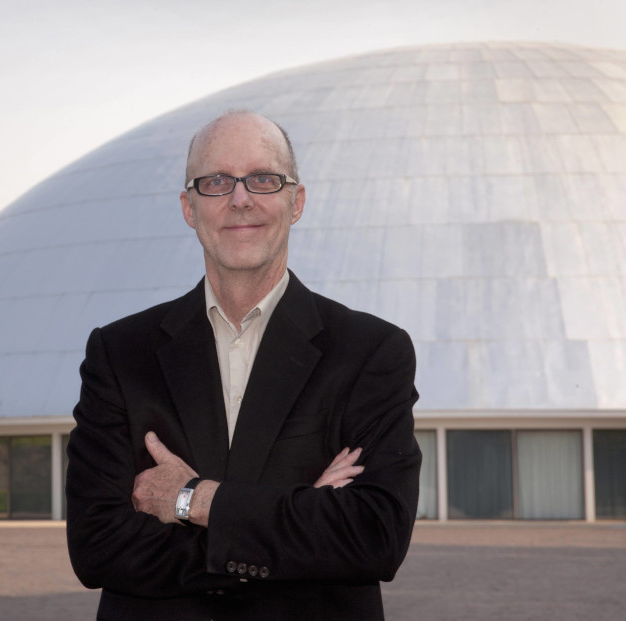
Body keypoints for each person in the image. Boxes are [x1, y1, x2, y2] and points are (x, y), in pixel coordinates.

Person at [66, 110, 421, 620]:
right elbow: (97, 545)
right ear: (189, 207)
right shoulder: (121, 353)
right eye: (215, 182)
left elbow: (374, 535)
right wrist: (296, 518)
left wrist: (194, 500)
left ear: (295, 201)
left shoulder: (370, 351)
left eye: (263, 179)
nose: (240, 199)